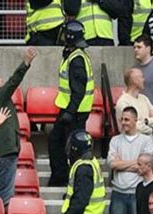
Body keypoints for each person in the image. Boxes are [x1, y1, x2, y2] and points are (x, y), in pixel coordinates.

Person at [0, 47, 37, 205]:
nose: (1, 81)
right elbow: (13, 82)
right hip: (5, 150)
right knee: (6, 194)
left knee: (5, 189)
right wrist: (25, 63)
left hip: (3, 151)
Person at [48, 20, 94, 186]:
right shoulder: (73, 55)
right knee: (57, 142)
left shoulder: (76, 60)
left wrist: (69, 112)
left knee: (72, 149)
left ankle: (69, 181)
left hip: (74, 112)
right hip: (72, 109)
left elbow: (79, 90)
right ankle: (61, 178)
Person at [115, 68, 153, 136]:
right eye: (141, 77)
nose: (144, 80)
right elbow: (134, 126)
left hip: (148, 144)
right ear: (135, 81)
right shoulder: (123, 102)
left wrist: (146, 121)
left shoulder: (144, 98)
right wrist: (151, 129)